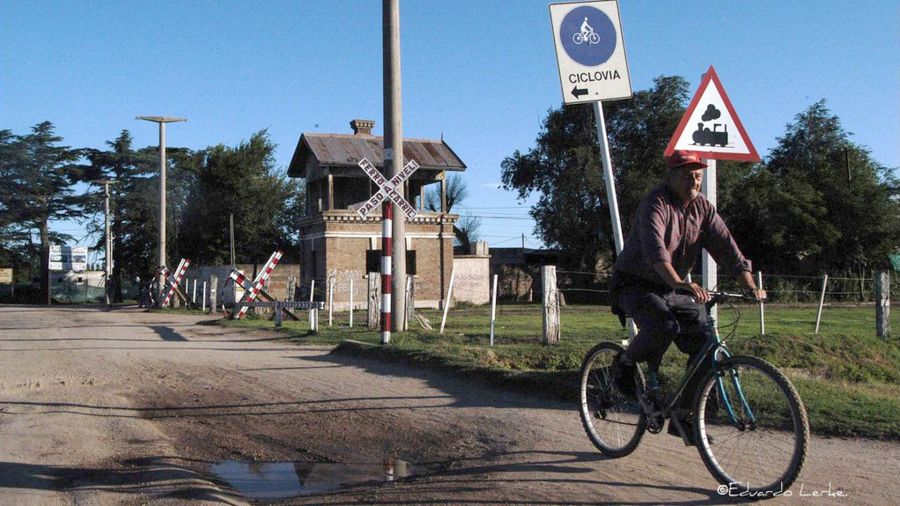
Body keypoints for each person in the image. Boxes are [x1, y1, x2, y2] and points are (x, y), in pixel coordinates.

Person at [609, 150, 766, 445]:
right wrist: (681, 282)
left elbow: (727, 248)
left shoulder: (703, 208)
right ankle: (625, 364)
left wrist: (749, 284)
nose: (694, 179)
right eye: (686, 173)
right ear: (670, 175)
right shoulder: (655, 202)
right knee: (662, 326)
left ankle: (685, 415)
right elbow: (656, 252)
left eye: (698, 174)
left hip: (674, 288)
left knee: (706, 341)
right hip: (635, 283)